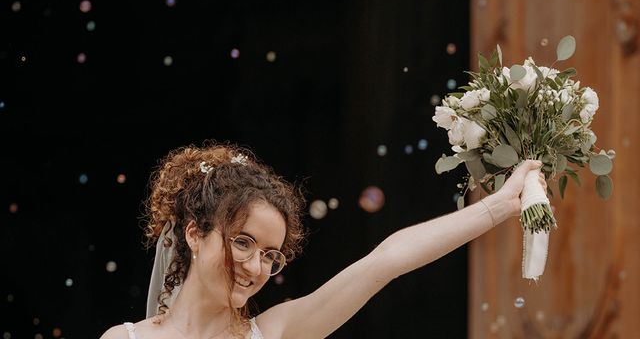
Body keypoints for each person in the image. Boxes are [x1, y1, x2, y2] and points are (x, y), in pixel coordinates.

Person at [100, 142, 545, 339]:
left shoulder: (276, 332)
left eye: (270, 255)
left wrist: (498, 207)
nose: (256, 268)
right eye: (242, 243)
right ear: (195, 234)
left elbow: (385, 261)